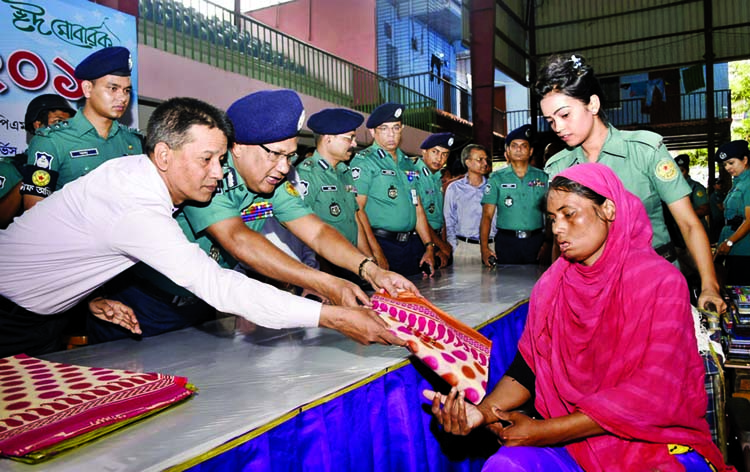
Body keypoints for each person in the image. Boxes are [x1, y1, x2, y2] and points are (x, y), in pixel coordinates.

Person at [0, 96, 404, 358]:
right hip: (9, 312)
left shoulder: (148, 181)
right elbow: (221, 281)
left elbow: (69, 246)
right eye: (206, 159)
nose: (216, 173)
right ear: (162, 154)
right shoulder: (136, 205)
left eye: (220, 159)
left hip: (51, 309)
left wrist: (86, 293)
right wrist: (332, 315)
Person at [425, 163, 731, 472]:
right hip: (573, 442)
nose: (557, 228)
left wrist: (544, 432)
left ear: (608, 209)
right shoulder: (552, 285)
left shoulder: (660, 281)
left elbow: (656, 391)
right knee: (507, 465)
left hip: (651, 439)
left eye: (569, 214)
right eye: (553, 218)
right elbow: (529, 367)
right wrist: (482, 413)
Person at [537, 53, 724, 313]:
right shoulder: (559, 168)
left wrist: (709, 285)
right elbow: (561, 240)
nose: (557, 127)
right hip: (592, 293)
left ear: (592, 104)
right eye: (550, 121)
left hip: (655, 286)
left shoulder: (644, 150)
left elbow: (689, 224)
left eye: (565, 115)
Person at [22, 46, 142, 209]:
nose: (122, 97)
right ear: (87, 89)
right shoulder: (52, 141)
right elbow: (34, 212)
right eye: (113, 88)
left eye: (126, 90)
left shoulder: (133, 142)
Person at [290, 107, 380, 281]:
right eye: (349, 138)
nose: (354, 144)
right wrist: (327, 279)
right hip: (327, 269)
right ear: (328, 139)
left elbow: (355, 221)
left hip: (352, 264)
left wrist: (369, 262)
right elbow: (304, 235)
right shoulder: (306, 174)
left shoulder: (345, 172)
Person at [350, 103, 436, 276]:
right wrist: (375, 251)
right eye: (384, 129)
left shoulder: (407, 162)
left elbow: (417, 207)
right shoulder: (365, 162)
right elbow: (357, 210)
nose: (391, 134)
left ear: (401, 129)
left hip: (411, 245)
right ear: (373, 132)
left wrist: (429, 246)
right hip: (382, 243)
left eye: (396, 128)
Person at [1, 95, 76, 228]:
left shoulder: (71, 166)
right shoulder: (8, 168)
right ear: (37, 125)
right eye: (59, 121)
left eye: (68, 124)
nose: (65, 129)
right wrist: (31, 181)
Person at [480, 124, 549, 266]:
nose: (519, 149)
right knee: (505, 284)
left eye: (523, 146)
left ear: (530, 151)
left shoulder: (542, 177)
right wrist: (484, 248)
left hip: (536, 241)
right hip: (507, 242)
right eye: (514, 145)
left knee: (537, 284)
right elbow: (487, 215)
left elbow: (550, 214)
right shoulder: (496, 178)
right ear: (507, 151)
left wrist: (548, 243)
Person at [444, 144, 496, 265]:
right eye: (480, 160)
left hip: (491, 247)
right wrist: (454, 247)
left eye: (486, 159)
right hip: (465, 248)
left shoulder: (492, 187)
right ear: (467, 162)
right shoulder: (455, 188)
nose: (485, 163)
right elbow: (449, 219)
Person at [414, 132, 455, 267]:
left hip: (436, 242)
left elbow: (439, 217)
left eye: (445, 154)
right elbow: (420, 217)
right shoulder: (414, 175)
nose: (439, 158)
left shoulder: (437, 178)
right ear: (424, 151)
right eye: (435, 152)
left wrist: (443, 248)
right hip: (420, 241)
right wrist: (442, 246)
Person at [714, 140, 750, 285]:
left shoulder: (748, 183)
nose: (728, 167)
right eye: (725, 164)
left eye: (731, 162)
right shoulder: (738, 183)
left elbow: (749, 220)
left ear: (745, 160)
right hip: (732, 247)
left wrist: (729, 242)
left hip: (744, 250)